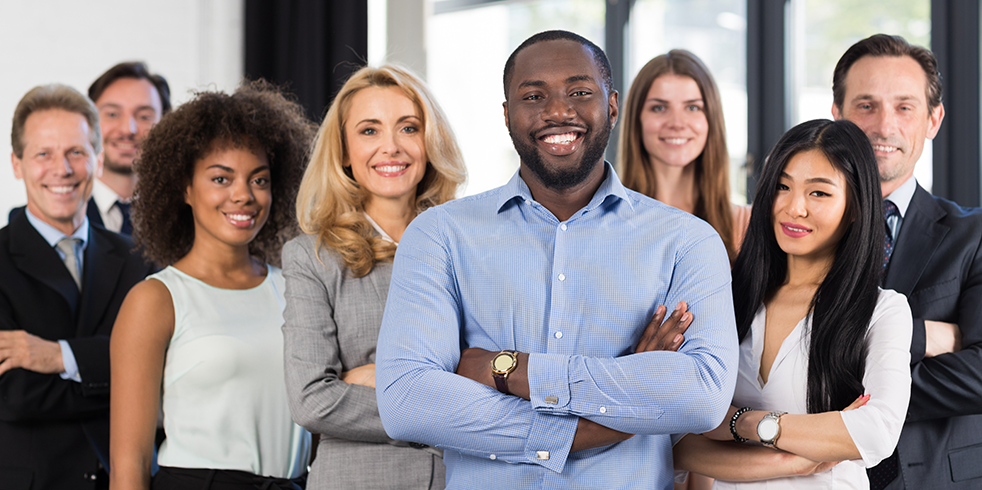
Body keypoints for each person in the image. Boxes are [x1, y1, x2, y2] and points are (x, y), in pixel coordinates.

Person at [375, 30, 738, 490]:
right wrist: (620, 399)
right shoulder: (438, 236)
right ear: (507, 116)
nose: (557, 111)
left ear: (611, 105)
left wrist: (509, 369)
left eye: (579, 92)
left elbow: (702, 396)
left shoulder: (688, 242)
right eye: (533, 96)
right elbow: (407, 401)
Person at [673, 119, 913, 489]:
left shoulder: (883, 311)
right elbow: (680, 444)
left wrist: (743, 421)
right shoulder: (726, 295)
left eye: (818, 193)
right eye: (783, 187)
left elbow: (877, 432)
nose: (794, 207)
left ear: (855, 207)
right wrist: (797, 460)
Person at [108, 81, 314, 490]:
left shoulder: (295, 289)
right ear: (184, 187)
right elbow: (129, 462)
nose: (243, 195)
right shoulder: (156, 299)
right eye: (221, 179)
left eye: (259, 180)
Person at [281, 64, 466, 490]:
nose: (391, 147)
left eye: (408, 128)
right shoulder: (312, 258)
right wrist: (441, 400)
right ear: (344, 150)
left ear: (429, 140)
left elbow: (501, 371)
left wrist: (380, 376)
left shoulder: (470, 247)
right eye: (369, 131)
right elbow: (312, 401)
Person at [830, 34, 982, 490]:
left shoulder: (972, 237)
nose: (884, 125)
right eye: (866, 105)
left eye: (904, 107)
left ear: (933, 119)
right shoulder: (795, 228)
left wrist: (843, 380)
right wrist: (928, 337)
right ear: (837, 115)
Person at [0, 84, 151, 489]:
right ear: (17, 164)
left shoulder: (139, 257)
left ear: (98, 160)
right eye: (43, 154)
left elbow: (166, 362)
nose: (62, 169)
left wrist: (60, 356)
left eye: (76, 152)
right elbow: (14, 394)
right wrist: (126, 378)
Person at [618, 49, 749, 263]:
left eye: (692, 107)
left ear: (711, 120)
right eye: (659, 107)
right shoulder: (604, 225)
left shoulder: (748, 225)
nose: (677, 123)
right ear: (637, 120)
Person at [7, 62, 171, 233]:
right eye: (112, 114)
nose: (128, 130)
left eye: (145, 116)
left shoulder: (185, 218)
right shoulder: (41, 218)